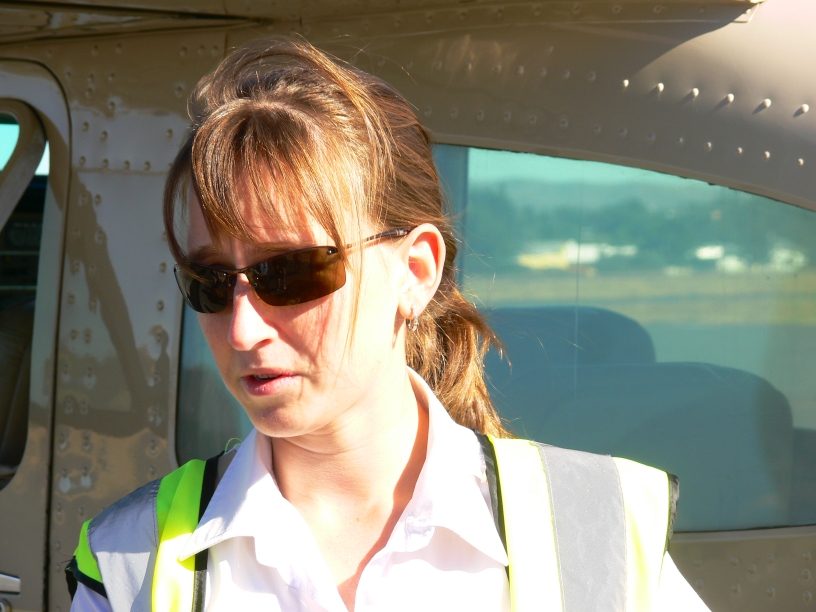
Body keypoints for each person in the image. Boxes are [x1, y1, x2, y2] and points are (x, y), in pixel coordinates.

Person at [67, 37, 711, 612]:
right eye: (210, 282)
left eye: (289, 272)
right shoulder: (128, 563)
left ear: (416, 270)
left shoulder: (601, 534)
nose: (242, 330)